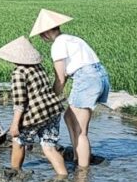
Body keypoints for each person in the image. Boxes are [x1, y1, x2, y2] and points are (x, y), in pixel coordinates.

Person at [30, 9, 110, 168]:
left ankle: (82, 171)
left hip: (87, 79)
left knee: (81, 131)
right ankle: (76, 155)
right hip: (101, 77)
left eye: (41, 34)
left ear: (46, 33)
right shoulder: (72, 39)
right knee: (68, 116)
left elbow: (61, 77)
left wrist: (50, 99)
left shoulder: (57, 45)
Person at [0, 36, 67, 176]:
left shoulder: (18, 73)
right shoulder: (38, 67)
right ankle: (63, 176)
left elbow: (20, 102)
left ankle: (15, 173)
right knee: (49, 147)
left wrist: (14, 125)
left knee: (18, 141)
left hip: (37, 114)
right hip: (53, 110)